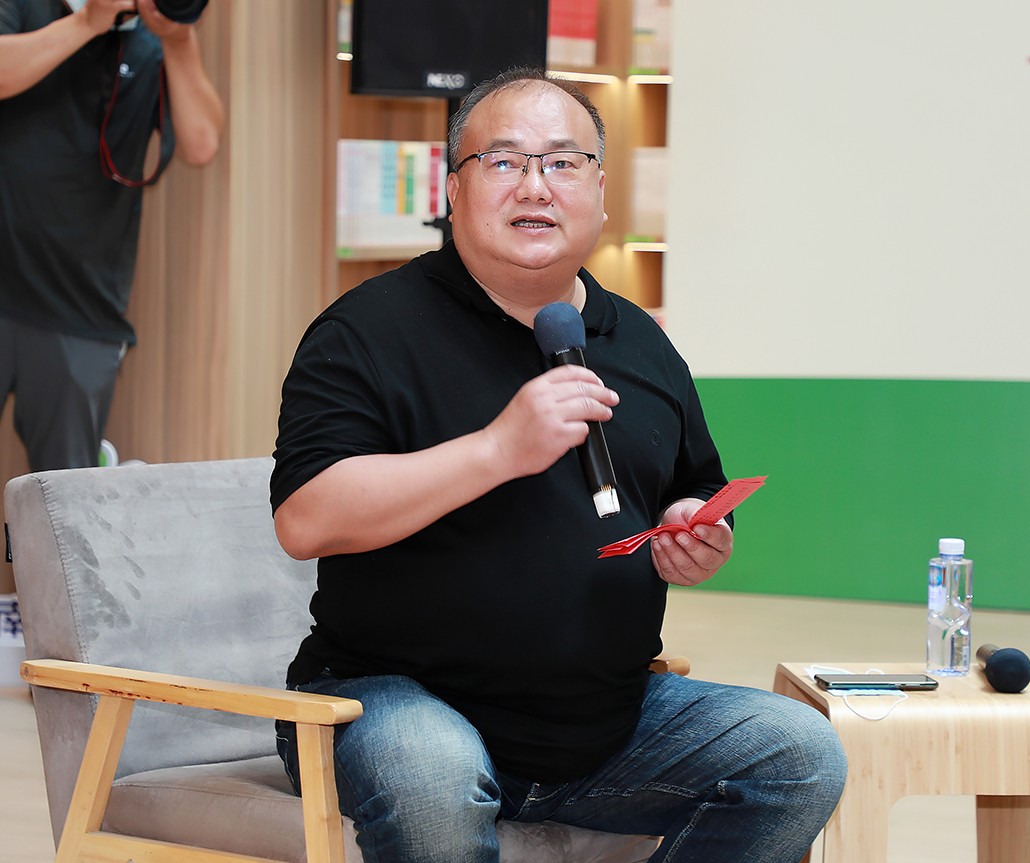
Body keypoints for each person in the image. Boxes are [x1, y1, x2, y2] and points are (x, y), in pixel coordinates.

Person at [271, 67, 846, 862]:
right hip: (394, 701)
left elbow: (696, 486)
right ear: (453, 189)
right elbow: (305, 517)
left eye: (563, 162)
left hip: (603, 725)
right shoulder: (367, 329)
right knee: (432, 770)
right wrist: (496, 449)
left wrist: (695, 531)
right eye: (503, 161)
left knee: (799, 752)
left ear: (600, 192)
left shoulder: (639, 340)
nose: (534, 185)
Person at [0, 0, 223, 471]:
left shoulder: (149, 43)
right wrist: (87, 23)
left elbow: (202, 143)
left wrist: (178, 38)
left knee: (64, 499)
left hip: (82, 308)